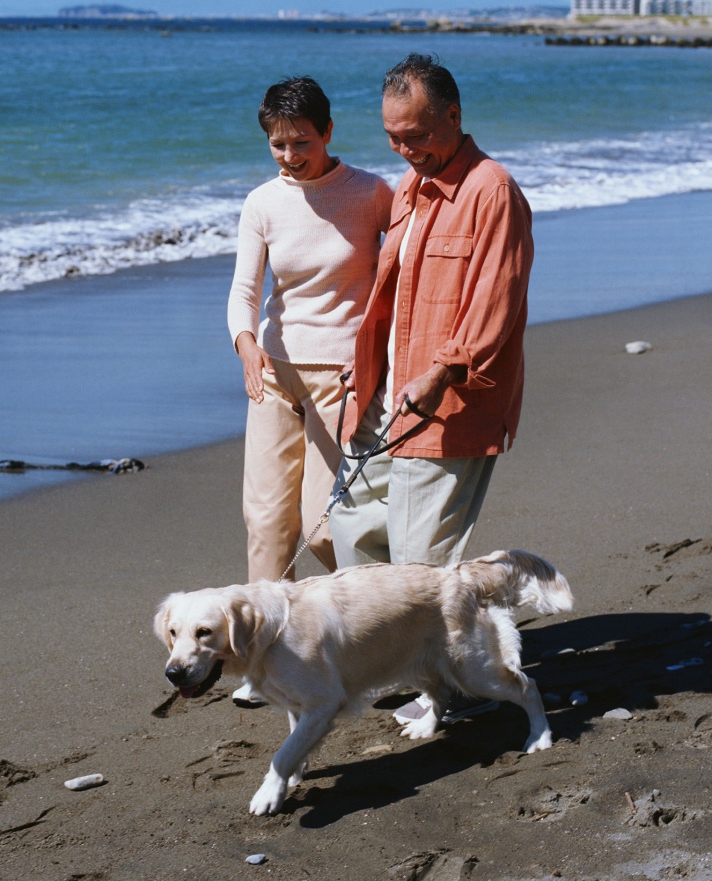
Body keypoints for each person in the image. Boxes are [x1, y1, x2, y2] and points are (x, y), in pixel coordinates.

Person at [328, 53, 534, 727]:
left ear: (453, 115)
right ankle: (385, 665)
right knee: (355, 531)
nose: (404, 148)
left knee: (422, 565)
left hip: (449, 406)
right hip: (384, 396)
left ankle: (437, 693)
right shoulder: (411, 188)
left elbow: (496, 302)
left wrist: (443, 370)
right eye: (392, 136)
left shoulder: (490, 188)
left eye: (415, 133)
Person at [228, 76, 394, 594]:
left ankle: (387, 615)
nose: (289, 155)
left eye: (302, 141)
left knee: (325, 530)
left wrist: (381, 355)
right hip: (274, 374)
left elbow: (404, 276)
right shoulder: (262, 202)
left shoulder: (372, 193)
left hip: (341, 379)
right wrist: (245, 343)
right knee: (266, 526)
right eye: (278, 143)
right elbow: (244, 291)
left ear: (327, 131)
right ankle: (269, 654)